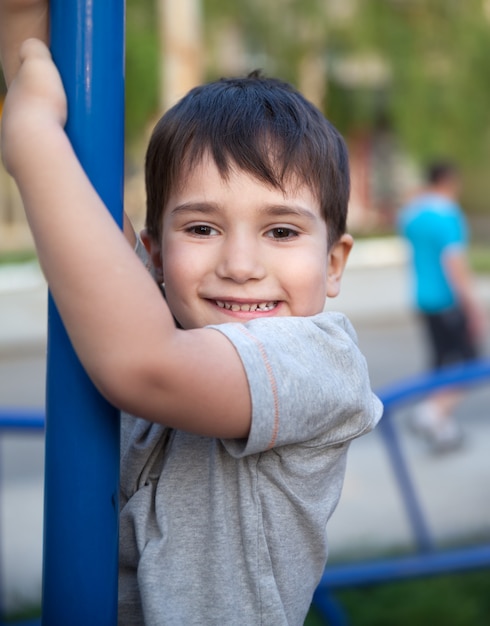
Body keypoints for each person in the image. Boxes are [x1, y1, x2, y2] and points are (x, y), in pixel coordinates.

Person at [0, 3, 382, 624]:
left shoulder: (320, 361)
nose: (238, 264)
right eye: (202, 227)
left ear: (334, 263)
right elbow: (88, 232)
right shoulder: (160, 319)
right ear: (152, 254)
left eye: (281, 231)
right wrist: (24, 31)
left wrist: (31, 143)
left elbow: (145, 365)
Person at [398, 160, 486, 453]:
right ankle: (430, 414)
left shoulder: (413, 216)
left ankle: (443, 430)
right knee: (470, 364)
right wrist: (473, 308)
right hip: (447, 300)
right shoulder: (447, 215)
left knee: (440, 365)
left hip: (422, 298)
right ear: (449, 181)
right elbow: (455, 265)